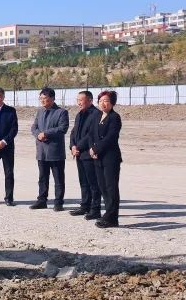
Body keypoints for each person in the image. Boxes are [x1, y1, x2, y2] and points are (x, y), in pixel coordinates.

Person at [29, 87, 69, 211]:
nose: (42, 100)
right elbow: (34, 127)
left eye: (44, 98)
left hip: (55, 151)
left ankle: (58, 202)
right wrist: (38, 134)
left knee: (58, 179)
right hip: (41, 151)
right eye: (40, 98)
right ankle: (42, 200)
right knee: (42, 178)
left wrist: (46, 133)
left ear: (52, 98)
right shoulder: (40, 111)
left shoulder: (61, 112)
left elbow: (62, 128)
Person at [89, 89, 123, 228]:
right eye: (101, 101)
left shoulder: (115, 117)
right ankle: (109, 215)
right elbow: (91, 134)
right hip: (98, 157)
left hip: (110, 158)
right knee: (103, 187)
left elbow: (111, 137)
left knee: (111, 187)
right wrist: (92, 148)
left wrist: (96, 149)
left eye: (106, 101)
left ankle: (111, 217)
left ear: (112, 103)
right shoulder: (97, 116)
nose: (103, 103)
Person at [68, 90, 101, 219]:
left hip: (89, 153)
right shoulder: (79, 114)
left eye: (81, 100)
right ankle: (85, 206)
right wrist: (72, 146)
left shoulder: (96, 114)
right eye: (77, 100)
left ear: (90, 100)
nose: (78, 103)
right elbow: (73, 132)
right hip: (79, 154)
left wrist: (78, 146)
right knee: (83, 182)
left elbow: (91, 135)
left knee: (93, 183)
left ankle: (95, 209)